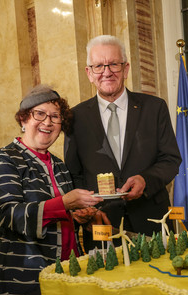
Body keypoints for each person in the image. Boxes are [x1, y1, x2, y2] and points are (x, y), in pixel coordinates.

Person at [0, 85, 103, 295]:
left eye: (55, 117)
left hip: (63, 278)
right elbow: (9, 214)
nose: (48, 122)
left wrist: (80, 216)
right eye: (40, 114)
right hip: (26, 281)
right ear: (23, 118)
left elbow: (58, 214)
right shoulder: (3, 160)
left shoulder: (59, 165)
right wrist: (65, 202)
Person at [64, 35, 181, 236]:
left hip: (151, 220)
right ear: (89, 73)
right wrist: (86, 210)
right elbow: (74, 173)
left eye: (113, 64)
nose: (106, 72)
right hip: (102, 223)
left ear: (125, 69)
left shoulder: (154, 108)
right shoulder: (75, 117)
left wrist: (145, 180)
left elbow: (171, 160)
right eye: (98, 66)